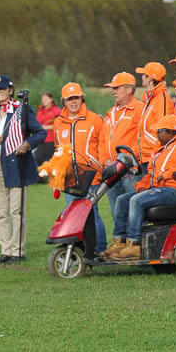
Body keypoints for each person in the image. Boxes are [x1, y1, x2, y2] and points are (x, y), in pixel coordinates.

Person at [110, 115, 176, 261]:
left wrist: (168, 174)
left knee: (136, 201)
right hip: (161, 189)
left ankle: (134, 245)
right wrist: (142, 185)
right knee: (122, 200)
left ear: (171, 131)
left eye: (159, 131)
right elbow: (151, 174)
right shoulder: (161, 148)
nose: (156, 134)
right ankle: (118, 242)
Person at [0, 75, 46, 264]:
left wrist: (26, 144)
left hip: (17, 164)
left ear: (10, 90)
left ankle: (17, 252)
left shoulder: (21, 110)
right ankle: (6, 251)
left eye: (1, 89)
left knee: (16, 211)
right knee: (0, 212)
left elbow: (40, 133)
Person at [53, 82, 107, 253]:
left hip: (91, 177)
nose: (73, 102)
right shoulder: (58, 123)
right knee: (74, 216)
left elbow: (103, 146)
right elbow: (58, 149)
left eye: (76, 98)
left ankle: (100, 250)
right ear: (63, 101)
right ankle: (82, 250)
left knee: (93, 214)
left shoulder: (95, 119)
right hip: (69, 179)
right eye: (69, 99)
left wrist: (100, 166)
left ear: (82, 98)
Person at [98, 72, 145, 258]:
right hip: (112, 170)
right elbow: (103, 140)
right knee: (116, 210)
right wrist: (104, 160)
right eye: (112, 88)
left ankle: (135, 246)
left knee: (132, 210)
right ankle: (119, 244)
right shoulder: (111, 112)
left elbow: (142, 139)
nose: (113, 91)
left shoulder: (140, 109)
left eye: (116, 88)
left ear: (129, 89)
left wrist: (126, 159)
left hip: (130, 171)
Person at [135, 61, 173, 168]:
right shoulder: (151, 99)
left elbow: (164, 132)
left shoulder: (161, 99)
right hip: (145, 157)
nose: (142, 77)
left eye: (144, 75)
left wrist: (156, 155)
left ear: (150, 79)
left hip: (153, 158)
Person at [33, 92, 61, 168]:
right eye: (43, 99)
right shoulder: (40, 110)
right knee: (37, 159)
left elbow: (59, 125)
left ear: (51, 99)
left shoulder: (56, 111)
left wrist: (45, 127)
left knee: (48, 161)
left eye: (46, 99)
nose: (44, 101)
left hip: (51, 140)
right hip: (41, 139)